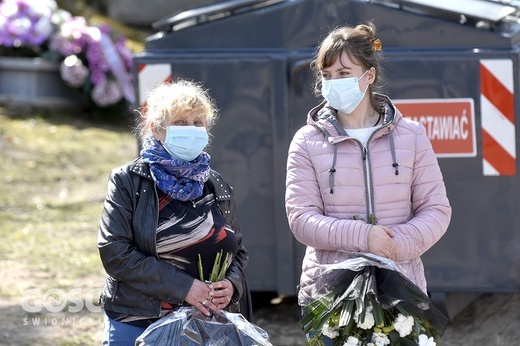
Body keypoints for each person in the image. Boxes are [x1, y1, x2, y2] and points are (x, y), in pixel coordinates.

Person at [285, 22, 451, 343]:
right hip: (330, 294)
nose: (334, 82)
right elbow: (302, 220)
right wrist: (365, 237)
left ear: (369, 76)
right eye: (327, 75)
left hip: (401, 286)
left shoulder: (411, 135)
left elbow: (436, 209)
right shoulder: (306, 141)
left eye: (344, 73)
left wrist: (393, 246)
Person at [97, 79, 252, 345]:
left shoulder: (216, 185)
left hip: (204, 326)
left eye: (197, 123)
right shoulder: (128, 180)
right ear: (157, 130)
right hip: (137, 321)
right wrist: (185, 288)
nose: (191, 130)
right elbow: (115, 252)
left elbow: (237, 251)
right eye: (180, 123)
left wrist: (231, 285)